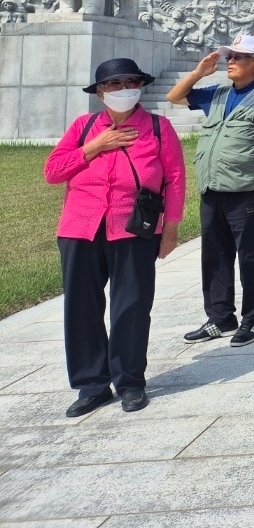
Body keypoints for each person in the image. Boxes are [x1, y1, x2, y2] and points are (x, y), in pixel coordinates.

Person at [45, 58, 185, 416]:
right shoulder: (84, 126)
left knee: (132, 307)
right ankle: (91, 385)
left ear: (139, 86)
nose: (123, 90)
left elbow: (175, 179)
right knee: (81, 308)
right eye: (113, 85)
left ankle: (130, 382)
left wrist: (170, 230)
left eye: (129, 82)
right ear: (100, 92)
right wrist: (96, 146)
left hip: (133, 229)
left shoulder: (158, 127)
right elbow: (53, 172)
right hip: (80, 228)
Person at [165, 34, 254, 348]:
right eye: (229, 56)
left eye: (238, 57)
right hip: (212, 187)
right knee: (215, 256)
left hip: (245, 189)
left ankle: (252, 320)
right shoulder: (218, 93)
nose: (230, 62)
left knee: (251, 258)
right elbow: (174, 97)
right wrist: (197, 73)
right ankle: (220, 318)